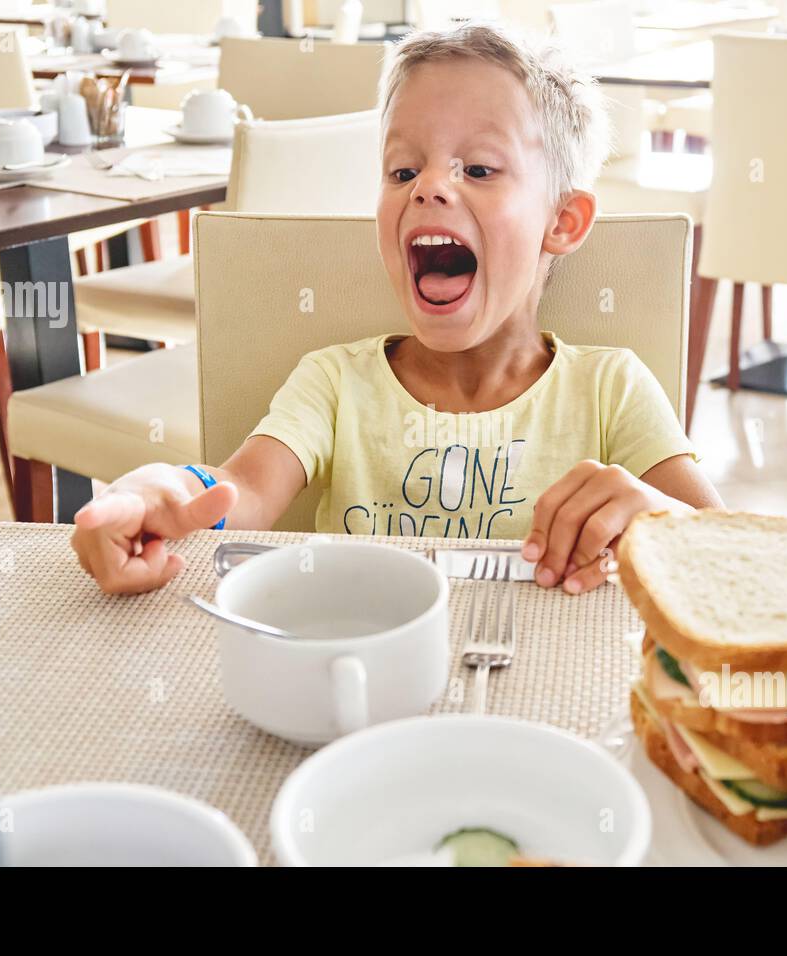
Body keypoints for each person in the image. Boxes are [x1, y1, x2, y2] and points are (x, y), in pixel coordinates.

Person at [71, 22, 722, 597]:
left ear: (563, 220)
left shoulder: (611, 389)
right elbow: (237, 492)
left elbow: (721, 549)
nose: (432, 186)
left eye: (480, 169)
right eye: (403, 172)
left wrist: (656, 520)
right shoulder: (334, 382)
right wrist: (161, 492)